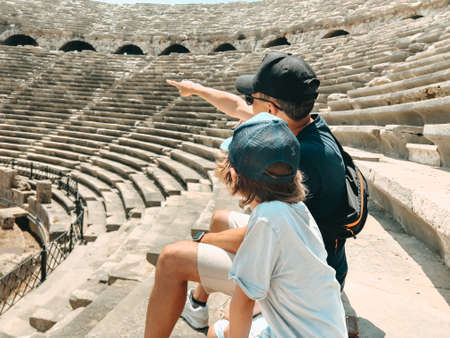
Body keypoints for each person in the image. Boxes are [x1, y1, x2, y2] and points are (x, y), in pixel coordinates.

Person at [144, 52, 347, 336]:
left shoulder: (307, 159)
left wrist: (204, 240)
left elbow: (266, 232)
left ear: (273, 110)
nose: (248, 105)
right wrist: (197, 89)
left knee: (172, 258)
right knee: (220, 218)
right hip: (301, 256)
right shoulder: (294, 130)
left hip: (296, 271)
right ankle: (198, 303)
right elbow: (236, 106)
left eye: (254, 100)